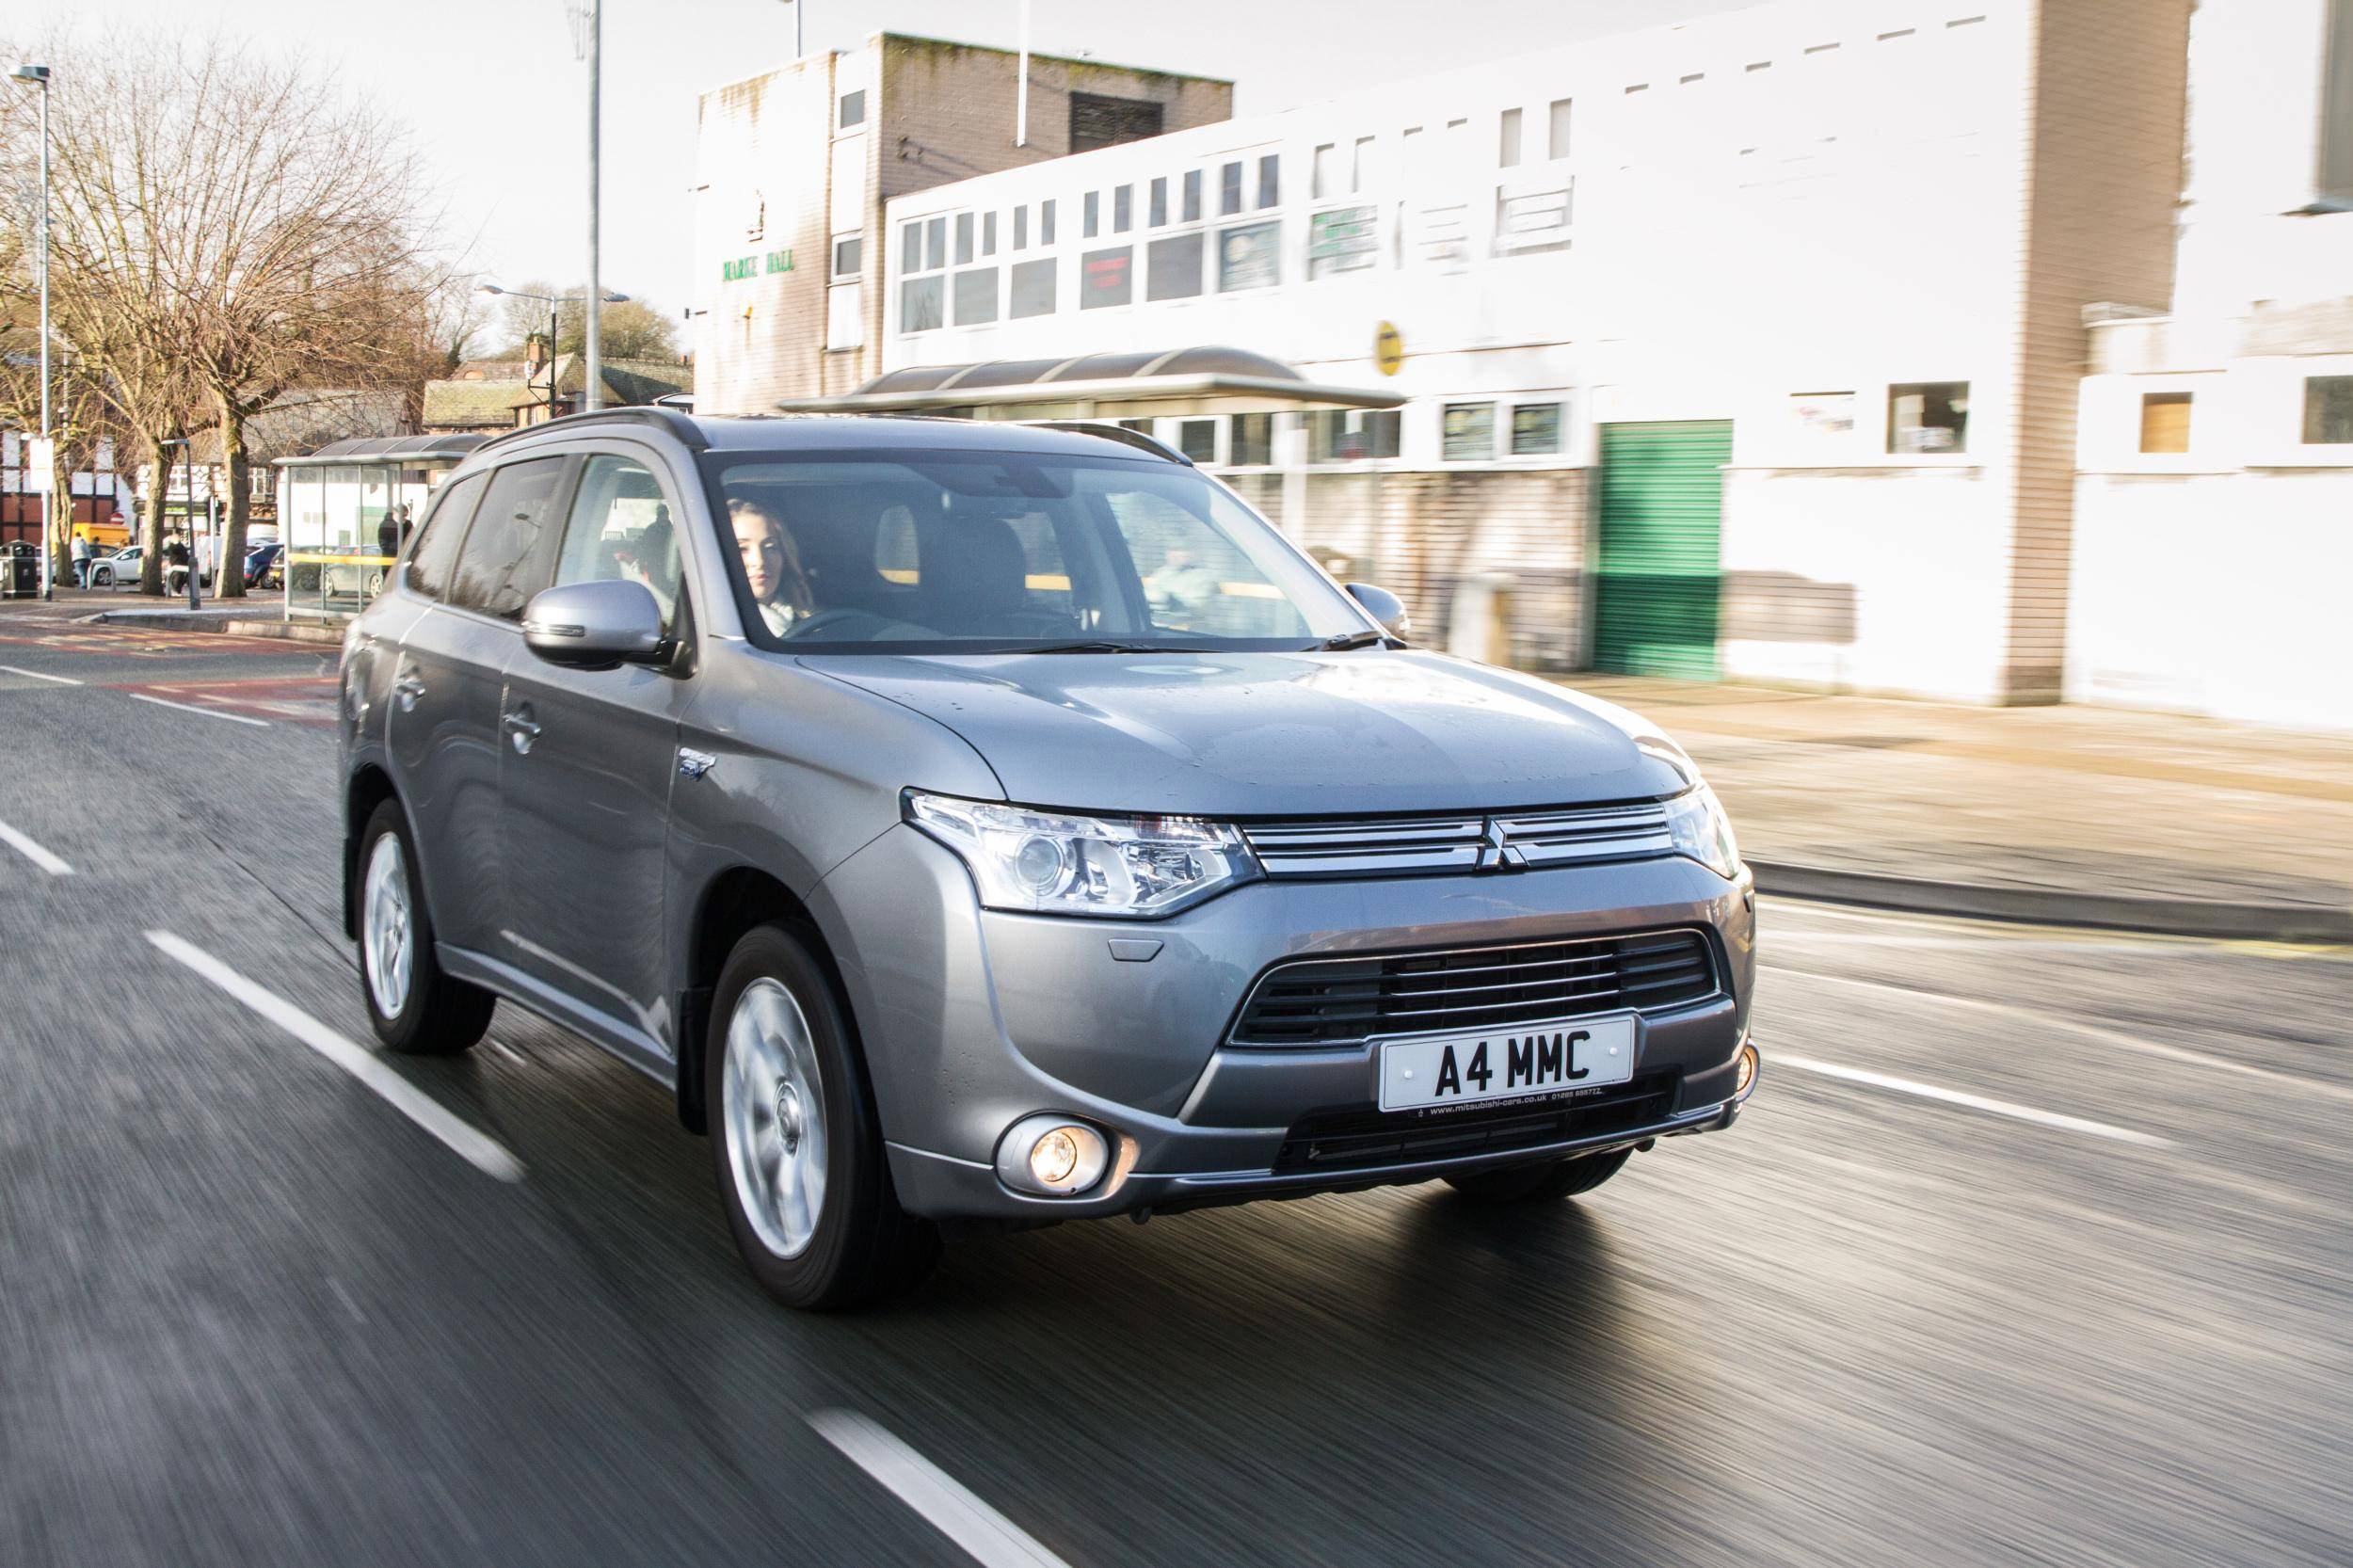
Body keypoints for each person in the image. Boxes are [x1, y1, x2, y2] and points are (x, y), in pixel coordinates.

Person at [728, 497, 812, 635]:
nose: (759, 561)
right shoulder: (715, 626)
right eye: (742, 549)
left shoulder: (814, 620)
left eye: (770, 548)